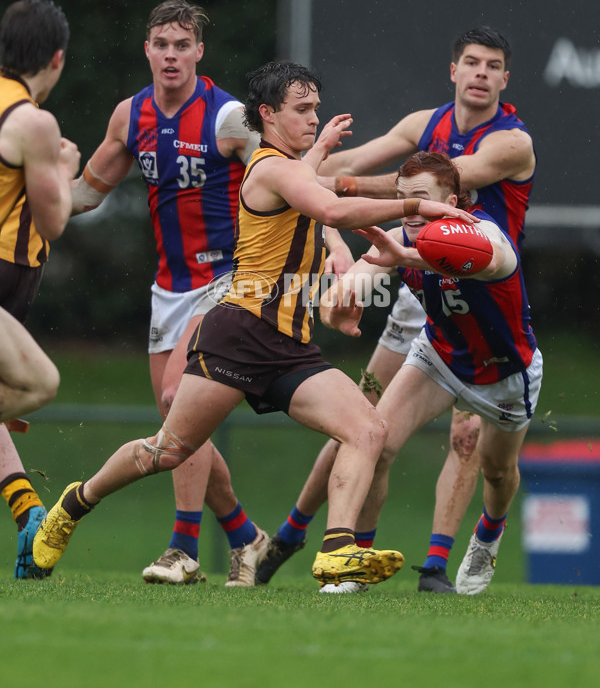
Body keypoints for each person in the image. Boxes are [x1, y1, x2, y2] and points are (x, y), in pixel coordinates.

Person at [33, 60, 475, 587]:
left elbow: (309, 182)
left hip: (290, 344)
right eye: (303, 110)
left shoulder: (290, 165)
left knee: (368, 428)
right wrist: (416, 205)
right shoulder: (269, 168)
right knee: (167, 450)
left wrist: (319, 149)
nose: (314, 117)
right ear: (267, 114)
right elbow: (331, 210)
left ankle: (336, 550)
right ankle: (74, 503)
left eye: (317, 108)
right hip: (240, 332)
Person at [255, 26, 536, 593]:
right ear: (453, 70)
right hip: (434, 324)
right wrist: (301, 174)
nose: (480, 73)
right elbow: (374, 254)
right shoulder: (419, 136)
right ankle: (350, 560)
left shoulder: (510, 149)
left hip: (495, 329)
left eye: (493, 65)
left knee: (494, 468)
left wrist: (348, 192)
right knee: (368, 430)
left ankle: (486, 532)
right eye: (471, 62)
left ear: (505, 79)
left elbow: (448, 187)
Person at [70, 0, 279, 587]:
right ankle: (246, 537)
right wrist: (28, 193)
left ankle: (182, 549)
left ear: (199, 54)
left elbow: (286, 176)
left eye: (182, 45)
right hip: (169, 288)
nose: (170, 55)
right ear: (147, 49)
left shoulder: (229, 117)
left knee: (173, 400)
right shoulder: (129, 116)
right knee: (177, 424)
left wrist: (332, 243)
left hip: (227, 279)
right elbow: (86, 195)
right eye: (161, 44)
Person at [320, 150, 543, 595]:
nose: (413, 210)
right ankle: (356, 568)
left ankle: (488, 534)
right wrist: (337, 303)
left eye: (422, 199)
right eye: (405, 200)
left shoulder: (483, 233)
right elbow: (360, 278)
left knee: (497, 473)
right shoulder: (400, 237)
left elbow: (489, 258)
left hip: (503, 372)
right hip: (438, 355)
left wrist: (407, 254)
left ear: (454, 202)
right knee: (377, 442)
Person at [0, 0, 81, 578]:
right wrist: (65, 167)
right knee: (40, 382)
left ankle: (28, 517)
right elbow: (54, 221)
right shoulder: (33, 120)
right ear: (55, 59)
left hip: (10, 286)